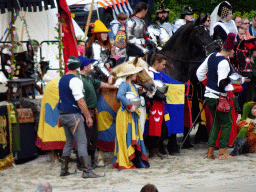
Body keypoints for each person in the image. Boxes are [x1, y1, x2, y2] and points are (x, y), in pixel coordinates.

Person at [196, 33, 250, 159]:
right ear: (231, 50)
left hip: (209, 95)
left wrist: (209, 84)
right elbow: (222, 84)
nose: (233, 53)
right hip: (219, 97)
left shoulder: (211, 56)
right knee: (227, 123)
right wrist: (233, 86)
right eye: (233, 51)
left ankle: (210, 152)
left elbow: (199, 74)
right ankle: (222, 152)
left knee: (216, 123)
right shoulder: (224, 63)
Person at [57, 55, 100, 178]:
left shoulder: (62, 79)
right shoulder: (75, 80)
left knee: (69, 143)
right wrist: (88, 116)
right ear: (77, 68)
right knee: (82, 142)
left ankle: (64, 170)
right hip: (73, 115)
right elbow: (80, 101)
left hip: (63, 115)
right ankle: (87, 171)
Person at [76, 56, 116, 169]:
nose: (91, 67)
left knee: (93, 139)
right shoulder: (79, 79)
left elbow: (100, 84)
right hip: (85, 113)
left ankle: (91, 162)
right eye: (89, 65)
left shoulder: (89, 78)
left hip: (92, 112)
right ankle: (82, 164)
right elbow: (79, 99)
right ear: (84, 67)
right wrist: (85, 115)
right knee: (85, 140)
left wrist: (114, 86)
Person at [113, 64, 150, 170]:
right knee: (126, 137)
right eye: (134, 72)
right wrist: (129, 105)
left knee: (132, 135)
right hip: (125, 114)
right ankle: (126, 160)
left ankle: (133, 159)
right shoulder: (124, 85)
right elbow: (119, 96)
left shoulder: (133, 86)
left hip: (132, 115)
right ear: (130, 75)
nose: (136, 74)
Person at [145, 53, 168, 158]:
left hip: (159, 104)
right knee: (154, 128)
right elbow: (150, 89)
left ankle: (157, 149)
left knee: (161, 128)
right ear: (157, 63)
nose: (164, 67)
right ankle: (152, 150)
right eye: (163, 64)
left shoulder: (158, 73)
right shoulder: (150, 73)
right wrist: (158, 95)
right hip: (153, 104)